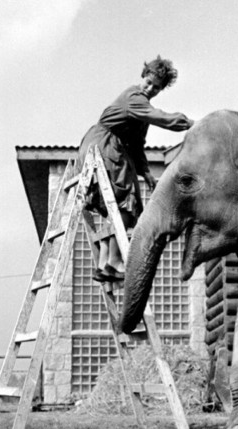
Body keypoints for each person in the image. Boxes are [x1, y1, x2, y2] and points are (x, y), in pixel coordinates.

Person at [77, 56, 193, 282]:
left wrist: (146, 172)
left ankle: (105, 264)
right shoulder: (134, 97)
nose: (150, 89)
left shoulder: (142, 110)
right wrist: (189, 123)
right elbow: (161, 118)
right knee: (125, 197)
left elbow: (138, 144)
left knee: (126, 202)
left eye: (156, 88)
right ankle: (113, 260)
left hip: (112, 147)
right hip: (104, 145)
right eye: (148, 83)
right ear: (143, 77)